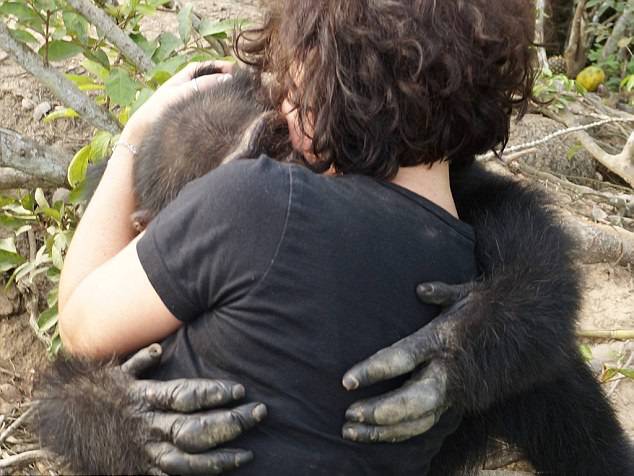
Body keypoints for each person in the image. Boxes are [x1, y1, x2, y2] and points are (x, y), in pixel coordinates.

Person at [57, 0, 539, 474]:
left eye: (295, 81)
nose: (283, 107)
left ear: (338, 84)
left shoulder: (262, 200)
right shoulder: (463, 240)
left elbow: (79, 329)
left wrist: (136, 130)